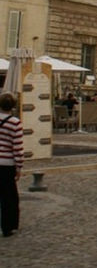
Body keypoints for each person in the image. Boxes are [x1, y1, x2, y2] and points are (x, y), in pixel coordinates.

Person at [0, 92, 24, 237]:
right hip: (7, 164)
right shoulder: (15, 123)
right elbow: (17, 147)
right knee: (9, 197)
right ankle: (8, 226)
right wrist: (19, 167)